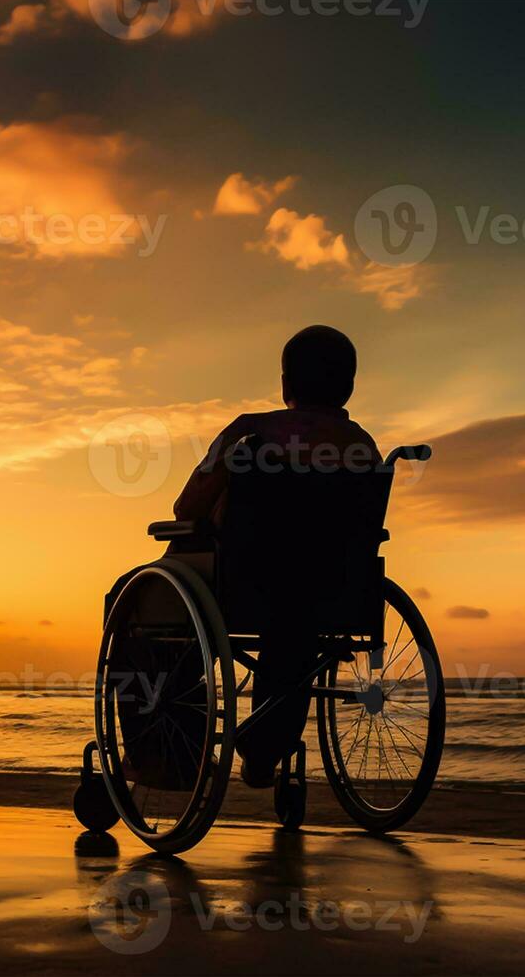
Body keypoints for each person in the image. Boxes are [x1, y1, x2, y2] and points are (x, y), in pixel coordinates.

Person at [173, 325, 380, 787]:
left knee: (148, 607)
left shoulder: (252, 434)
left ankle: (166, 752)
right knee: (295, 628)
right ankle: (264, 753)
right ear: (348, 386)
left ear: (285, 384)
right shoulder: (364, 450)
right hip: (334, 594)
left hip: (244, 587)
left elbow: (187, 509)